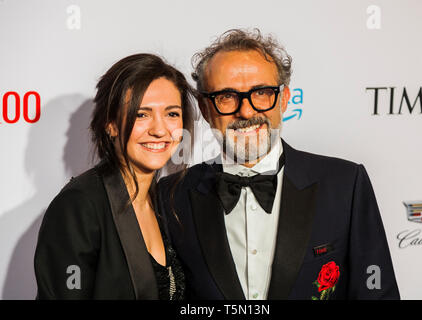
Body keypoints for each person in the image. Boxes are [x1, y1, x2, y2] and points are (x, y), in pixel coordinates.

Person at [157, 29, 400, 300]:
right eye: (226, 96)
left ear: (284, 99)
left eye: (261, 93)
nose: (246, 112)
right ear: (205, 108)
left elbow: (377, 292)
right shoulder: (171, 195)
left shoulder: (345, 183)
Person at [34, 53, 195, 299]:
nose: (160, 129)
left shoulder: (165, 199)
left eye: (172, 114)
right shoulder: (80, 206)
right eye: (142, 114)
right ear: (111, 123)